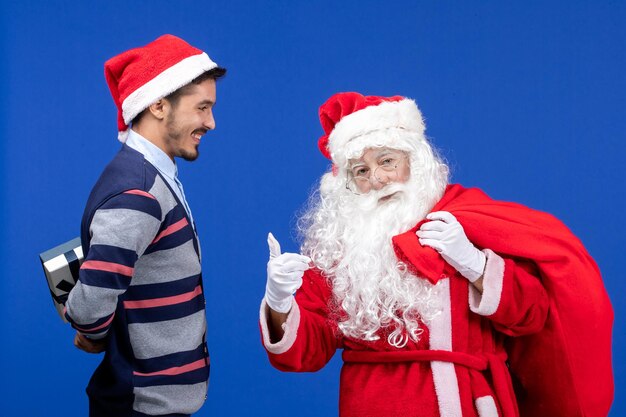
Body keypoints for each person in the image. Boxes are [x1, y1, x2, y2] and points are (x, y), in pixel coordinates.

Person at [260, 92, 613, 417]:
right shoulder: (341, 246)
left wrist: (475, 265)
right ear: (348, 184)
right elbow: (307, 351)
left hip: (470, 403)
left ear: (415, 161)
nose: (379, 179)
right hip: (372, 404)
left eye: (387, 161)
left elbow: (531, 316)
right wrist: (279, 303)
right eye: (362, 172)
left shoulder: (466, 222)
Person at [64, 34, 226, 417]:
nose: (211, 122)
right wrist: (90, 329)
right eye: (202, 108)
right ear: (157, 105)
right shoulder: (139, 191)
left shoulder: (152, 176)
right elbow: (91, 303)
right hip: (142, 406)